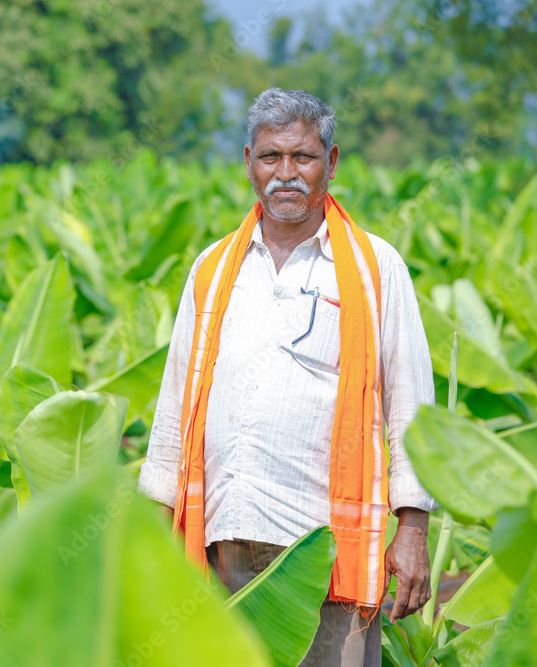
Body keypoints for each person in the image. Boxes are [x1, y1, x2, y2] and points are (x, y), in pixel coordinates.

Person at [137, 88, 437, 666]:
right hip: (225, 528)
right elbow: (176, 405)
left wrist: (413, 530)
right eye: (271, 157)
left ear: (332, 162)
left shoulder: (375, 268)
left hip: (326, 543)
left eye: (303, 157)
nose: (286, 174)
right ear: (248, 161)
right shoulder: (213, 268)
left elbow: (410, 405)